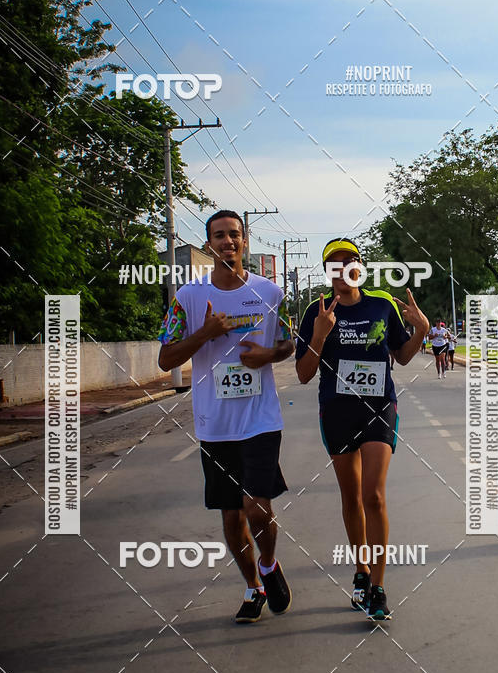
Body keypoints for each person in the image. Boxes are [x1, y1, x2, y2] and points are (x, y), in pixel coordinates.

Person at [158, 210, 295, 622]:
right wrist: (205, 333)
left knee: (256, 508)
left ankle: (269, 564)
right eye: (219, 236)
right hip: (214, 424)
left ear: (245, 241)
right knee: (232, 516)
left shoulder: (270, 293)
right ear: (209, 244)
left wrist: (270, 355)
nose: (228, 242)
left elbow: (289, 345)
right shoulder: (188, 297)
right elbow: (166, 358)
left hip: (260, 420)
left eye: (234, 235)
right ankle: (253, 587)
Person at [295, 238, 429, 619]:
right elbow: (304, 374)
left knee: (374, 496)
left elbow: (402, 357)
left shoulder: (382, 304)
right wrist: (320, 333)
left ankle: (378, 587)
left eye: (349, 261)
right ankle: (360, 569)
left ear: (360, 266)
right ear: (328, 272)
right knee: (352, 497)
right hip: (336, 411)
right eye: (334, 264)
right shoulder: (314, 311)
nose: (343, 269)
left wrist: (419, 331)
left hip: (378, 407)